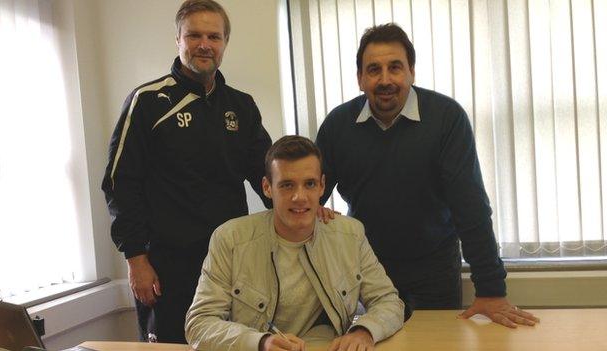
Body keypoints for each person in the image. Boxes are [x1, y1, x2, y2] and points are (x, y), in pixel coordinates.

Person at [315, 23, 539, 328]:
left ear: (411, 72)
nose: (385, 80)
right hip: (368, 268)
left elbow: (470, 206)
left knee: (438, 342)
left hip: (435, 267)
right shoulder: (338, 125)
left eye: (395, 67)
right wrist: (312, 207)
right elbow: (309, 190)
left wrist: (490, 290)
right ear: (360, 79)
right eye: (373, 70)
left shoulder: (447, 118)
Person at [101, 0, 273, 343]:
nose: (204, 44)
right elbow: (120, 184)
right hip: (166, 267)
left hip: (231, 265)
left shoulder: (242, 106)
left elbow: (269, 176)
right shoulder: (147, 101)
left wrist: (307, 209)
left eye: (214, 36)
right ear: (178, 39)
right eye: (194, 35)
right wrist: (136, 258)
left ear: (225, 43)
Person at [185, 136, 404, 351]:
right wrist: (261, 343)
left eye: (309, 184)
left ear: (322, 186)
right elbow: (199, 325)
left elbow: (388, 301)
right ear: (267, 187)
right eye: (287, 185)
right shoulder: (230, 239)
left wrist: (364, 331)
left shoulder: (350, 235)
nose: (300, 197)